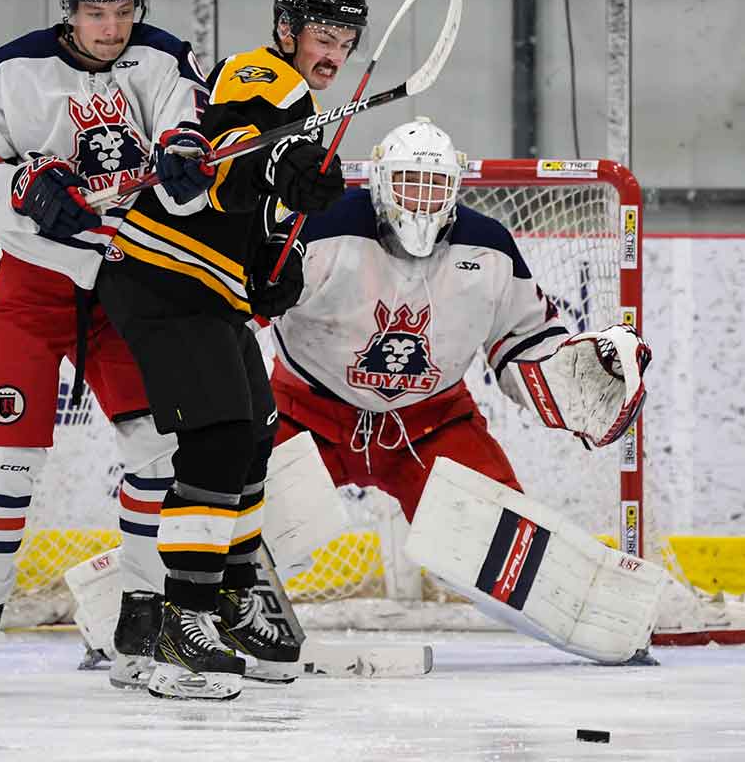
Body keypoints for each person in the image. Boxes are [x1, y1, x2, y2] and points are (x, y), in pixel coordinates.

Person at [0, 0, 213, 695]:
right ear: (69, 10)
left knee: (159, 448)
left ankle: (142, 610)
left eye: (123, 11)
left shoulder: (164, 60)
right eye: (96, 13)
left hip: (126, 284)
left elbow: (189, 138)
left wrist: (185, 164)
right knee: (3, 460)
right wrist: (22, 188)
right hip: (30, 286)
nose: (111, 27)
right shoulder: (11, 70)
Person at [94, 0, 369, 700]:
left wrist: (276, 264)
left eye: (347, 40)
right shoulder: (261, 72)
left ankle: (230, 596)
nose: (335, 52)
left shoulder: (302, 102)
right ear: (286, 30)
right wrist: (287, 163)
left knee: (253, 435)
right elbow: (239, 138)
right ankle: (182, 619)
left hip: (207, 289)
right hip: (159, 274)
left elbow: (256, 206)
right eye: (324, 35)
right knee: (216, 438)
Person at [270, 116, 649, 522]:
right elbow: (240, 312)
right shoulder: (320, 226)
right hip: (303, 414)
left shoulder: (488, 246)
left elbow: (524, 337)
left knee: (502, 542)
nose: (421, 198)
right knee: (239, 520)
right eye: (408, 181)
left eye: (435, 184)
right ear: (380, 181)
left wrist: (573, 377)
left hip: (431, 425)